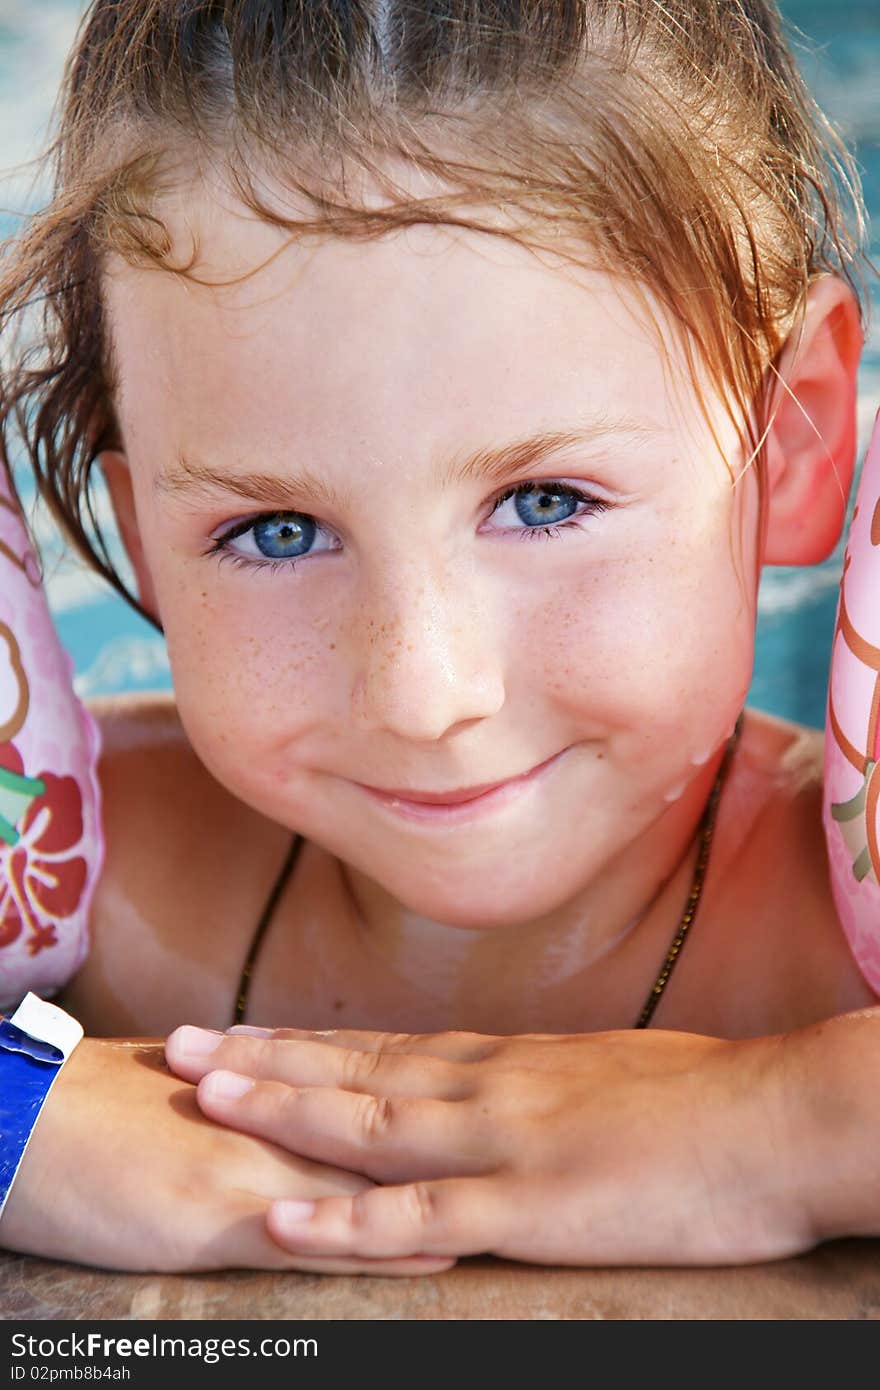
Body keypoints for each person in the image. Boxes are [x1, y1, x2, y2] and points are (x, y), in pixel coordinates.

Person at [0, 0, 878, 1276]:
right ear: (139, 537)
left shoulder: (829, 938)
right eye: (278, 530)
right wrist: (28, 1121)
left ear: (788, 443)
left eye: (545, 502)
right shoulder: (104, 881)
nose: (423, 692)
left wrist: (793, 1118)